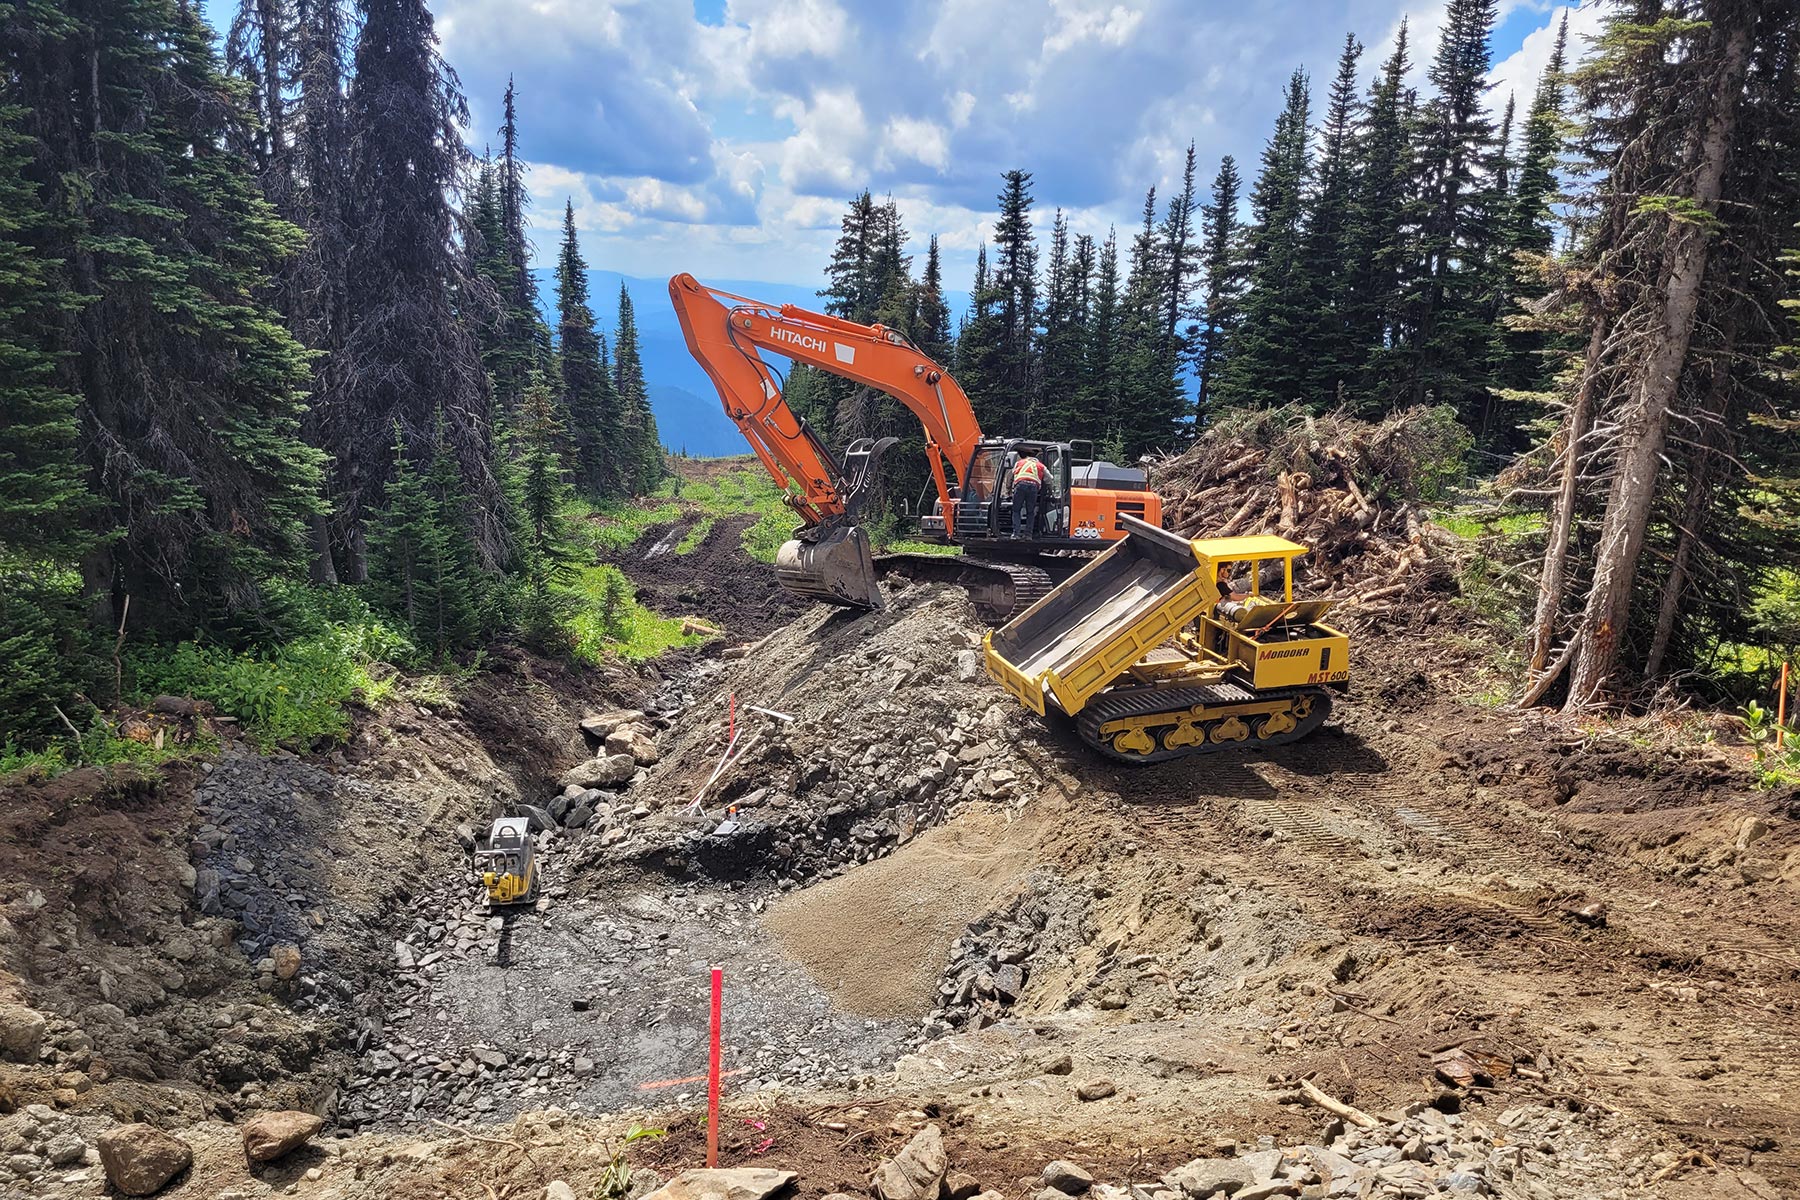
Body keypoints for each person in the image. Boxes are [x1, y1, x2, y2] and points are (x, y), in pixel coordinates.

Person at [1011, 452, 1046, 539]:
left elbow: (1010, 476)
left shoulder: (1019, 463)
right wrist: (1051, 489)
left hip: (1020, 485)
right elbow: (1050, 478)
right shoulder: (1040, 466)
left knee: (1016, 510)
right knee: (1030, 512)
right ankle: (1028, 535)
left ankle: (1016, 534)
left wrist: (1009, 490)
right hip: (1033, 487)